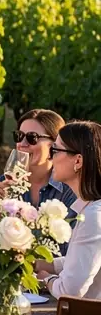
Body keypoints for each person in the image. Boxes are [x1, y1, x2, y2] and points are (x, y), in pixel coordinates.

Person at [36, 121, 101, 301]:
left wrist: (45, 279)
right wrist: (43, 263)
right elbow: (82, 262)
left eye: (55, 151)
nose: (51, 157)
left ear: (78, 161)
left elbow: (70, 292)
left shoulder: (93, 216)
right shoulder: (91, 208)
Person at [0, 109, 77, 211]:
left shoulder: (69, 189)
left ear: (54, 144)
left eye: (32, 138)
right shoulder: (6, 182)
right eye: (19, 136)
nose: (22, 144)